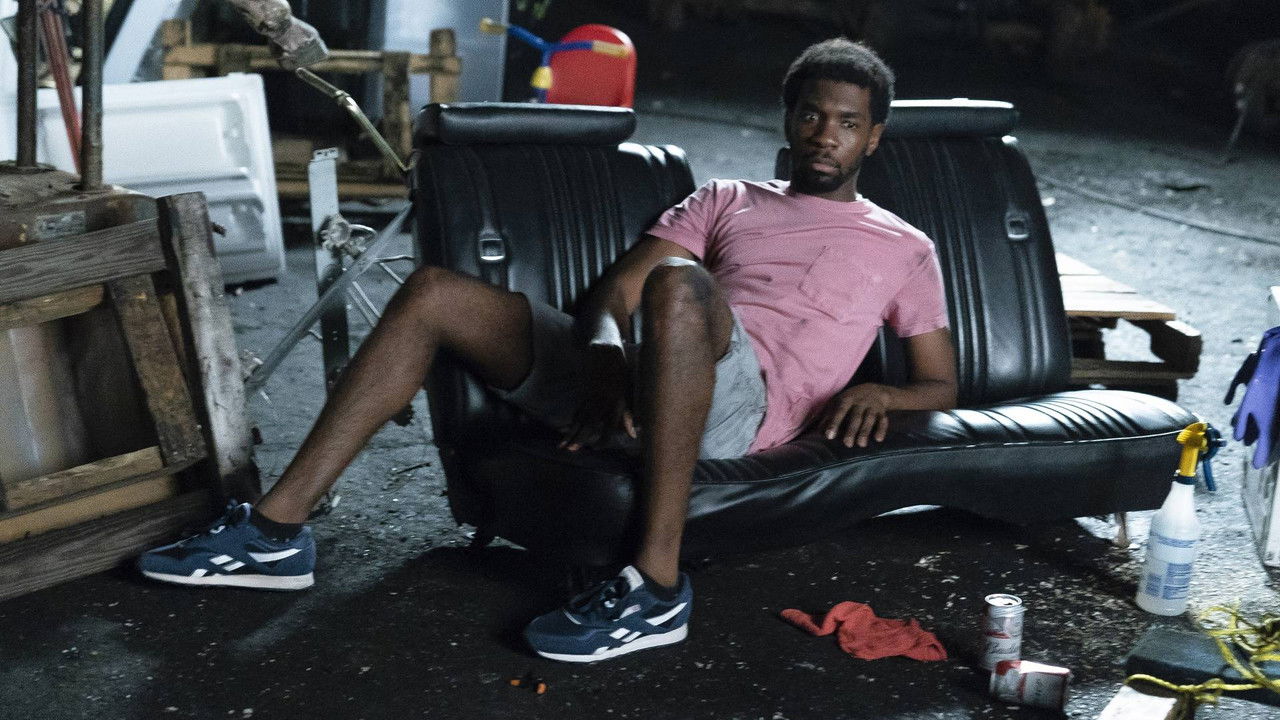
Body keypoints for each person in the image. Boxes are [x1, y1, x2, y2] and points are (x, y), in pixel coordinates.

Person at [138, 37, 957, 663]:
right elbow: (615, 297)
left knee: (680, 286)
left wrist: (886, 394)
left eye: (847, 123)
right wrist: (604, 356)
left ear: (873, 138)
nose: (825, 136)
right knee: (433, 293)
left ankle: (656, 587)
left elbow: (939, 384)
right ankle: (275, 534)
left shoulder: (904, 247)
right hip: (640, 380)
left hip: (741, 412)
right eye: (811, 115)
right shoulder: (726, 198)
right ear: (788, 118)